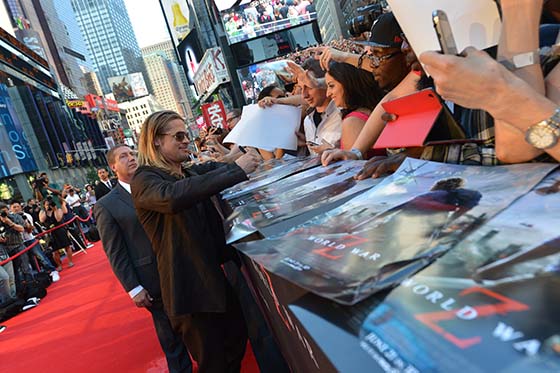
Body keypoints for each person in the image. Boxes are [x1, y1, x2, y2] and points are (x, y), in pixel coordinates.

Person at [131, 111, 260, 372]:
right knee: (214, 361)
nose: (185, 141)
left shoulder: (183, 171)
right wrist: (236, 169)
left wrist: (237, 154)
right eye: (178, 136)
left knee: (235, 341)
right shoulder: (145, 179)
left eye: (186, 135)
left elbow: (210, 171)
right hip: (187, 288)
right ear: (156, 140)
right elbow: (173, 197)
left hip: (211, 278)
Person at [95, 145, 193, 373]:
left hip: (182, 264)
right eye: (123, 157)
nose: (131, 158)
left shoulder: (157, 184)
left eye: (132, 154)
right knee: (171, 337)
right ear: (113, 167)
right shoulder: (106, 205)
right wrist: (133, 288)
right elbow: (115, 251)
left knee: (198, 326)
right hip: (152, 279)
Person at [324, 61, 384, 154]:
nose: (328, 94)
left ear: (347, 83)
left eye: (331, 86)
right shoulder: (372, 110)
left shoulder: (352, 121)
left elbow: (355, 166)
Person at [10, 201, 59, 282]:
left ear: (21, 207)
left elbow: (30, 229)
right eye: (14, 207)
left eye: (17, 206)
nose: (16, 209)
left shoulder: (26, 215)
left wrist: (24, 222)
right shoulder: (9, 218)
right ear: (10, 208)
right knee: (25, 263)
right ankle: (33, 280)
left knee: (41, 256)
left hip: (30, 239)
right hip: (19, 243)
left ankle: (52, 270)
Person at [39, 198, 74, 270]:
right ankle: (59, 265)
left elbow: (58, 219)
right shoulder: (42, 212)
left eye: (50, 204)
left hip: (60, 230)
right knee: (55, 251)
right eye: (47, 205)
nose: (49, 206)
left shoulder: (58, 210)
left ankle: (70, 261)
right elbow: (42, 220)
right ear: (44, 205)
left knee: (67, 246)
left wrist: (54, 209)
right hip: (51, 233)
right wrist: (46, 211)